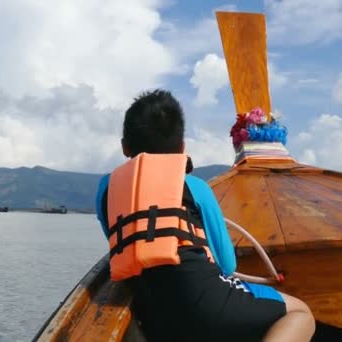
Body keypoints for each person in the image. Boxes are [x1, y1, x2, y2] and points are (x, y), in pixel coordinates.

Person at [95, 89, 315, 341]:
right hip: (212, 304)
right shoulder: (194, 187)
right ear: (182, 148)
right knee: (300, 313)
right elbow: (227, 264)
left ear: (125, 147)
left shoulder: (106, 189)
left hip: (155, 317)